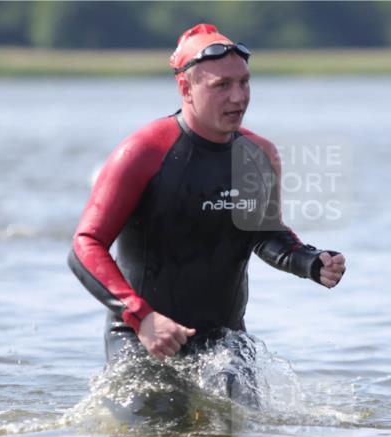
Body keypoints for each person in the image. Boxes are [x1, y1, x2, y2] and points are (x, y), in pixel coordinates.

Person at [68, 24, 346, 402]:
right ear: (186, 89)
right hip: (143, 337)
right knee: (154, 427)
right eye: (222, 86)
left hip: (224, 343)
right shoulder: (142, 152)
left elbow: (263, 233)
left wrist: (311, 262)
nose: (239, 97)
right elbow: (86, 245)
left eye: (244, 83)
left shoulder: (258, 155)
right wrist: (141, 315)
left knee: (231, 433)